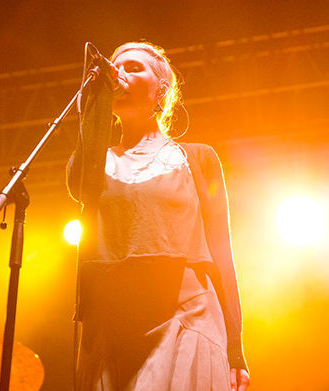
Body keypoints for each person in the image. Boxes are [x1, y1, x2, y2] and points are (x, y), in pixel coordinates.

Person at [67, 41, 250, 391]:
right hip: (112, 321)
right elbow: (80, 187)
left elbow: (222, 252)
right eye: (115, 68)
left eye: (134, 68)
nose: (119, 74)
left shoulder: (198, 159)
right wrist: (95, 102)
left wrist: (235, 345)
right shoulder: (97, 159)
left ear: (160, 90)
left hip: (185, 313)